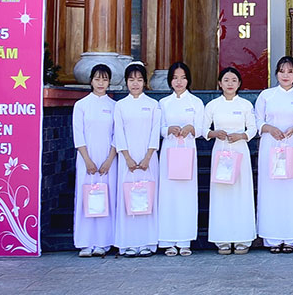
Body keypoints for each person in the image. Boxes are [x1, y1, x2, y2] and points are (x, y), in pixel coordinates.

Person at [256, 57, 293, 253]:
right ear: (276, 73)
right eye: (282, 71)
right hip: (271, 145)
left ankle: (292, 238)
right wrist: (268, 128)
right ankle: (272, 238)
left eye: (290, 71)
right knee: (271, 189)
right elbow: (257, 120)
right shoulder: (266, 95)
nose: (285, 75)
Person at [204, 67, 258, 254]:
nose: (230, 83)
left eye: (233, 80)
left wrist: (242, 135)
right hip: (220, 152)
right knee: (222, 193)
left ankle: (243, 238)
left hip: (240, 152)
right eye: (226, 80)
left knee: (241, 193)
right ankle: (223, 239)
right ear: (220, 83)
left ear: (239, 84)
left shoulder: (245, 105)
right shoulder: (213, 106)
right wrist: (214, 133)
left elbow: (253, 128)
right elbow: (203, 129)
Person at [113, 62, 162, 257]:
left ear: (144, 82)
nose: (135, 84)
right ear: (126, 82)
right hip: (127, 161)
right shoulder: (120, 105)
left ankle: (147, 242)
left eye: (139, 80)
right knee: (128, 199)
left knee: (147, 198)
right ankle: (128, 243)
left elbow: (154, 132)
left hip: (149, 160)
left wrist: (148, 157)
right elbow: (118, 132)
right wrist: (127, 157)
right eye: (131, 80)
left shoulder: (152, 105)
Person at [157, 62, 204, 256]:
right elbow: (158, 129)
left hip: (187, 153)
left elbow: (201, 129)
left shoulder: (196, 102)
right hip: (169, 152)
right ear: (170, 80)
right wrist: (168, 129)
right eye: (175, 77)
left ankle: (185, 240)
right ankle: (168, 240)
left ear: (188, 80)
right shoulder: (163, 103)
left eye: (183, 77)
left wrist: (191, 129)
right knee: (168, 195)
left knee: (186, 195)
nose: (179, 81)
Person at [73, 64, 118, 257]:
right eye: (97, 79)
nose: (101, 83)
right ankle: (85, 242)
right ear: (91, 80)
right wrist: (87, 160)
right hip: (86, 159)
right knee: (86, 198)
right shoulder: (81, 105)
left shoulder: (114, 106)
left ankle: (103, 242)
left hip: (108, 160)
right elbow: (78, 134)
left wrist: (109, 160)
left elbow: (118, 136)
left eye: (105, 79)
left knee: (106, 198)